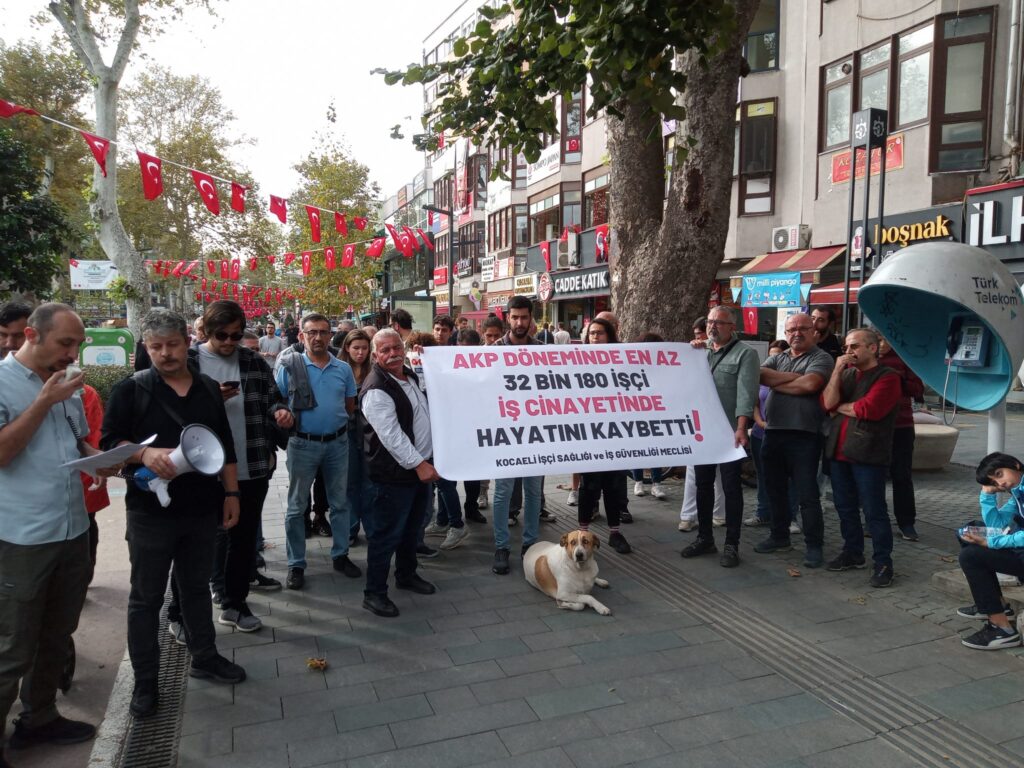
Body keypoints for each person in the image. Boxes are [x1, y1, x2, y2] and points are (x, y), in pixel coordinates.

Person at [102, 308, 245, 719]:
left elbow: (224, 445)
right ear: (146, 348)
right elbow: (109, 443)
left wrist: (231, 492)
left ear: (187, 342)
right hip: (149, 513)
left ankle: (205, 655)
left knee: (196, 588)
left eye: (172, 344)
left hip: (201, 507)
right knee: (145, 599)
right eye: (156, 347)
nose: (165, 353)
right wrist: (144, 454)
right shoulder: (131, 390)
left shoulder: (207, 387)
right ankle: (146, 682)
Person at [0, 304, 112, 755]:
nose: (72, 353)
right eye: (66, 343)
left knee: (57, 633)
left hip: (72, 528)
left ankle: (40, 717)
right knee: (13, 645)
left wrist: (101, 461)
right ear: (32, 335)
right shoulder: (5, 382)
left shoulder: (67, 383)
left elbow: (76, 440)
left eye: (77, 345)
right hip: (22, 537)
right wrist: (43, 401)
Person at [191, 301, 294, 630]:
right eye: (221, 335)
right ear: (207, 331)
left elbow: (273, 398)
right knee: (203, 539)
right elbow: (172, 410)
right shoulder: (189, 361)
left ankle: (235, 603)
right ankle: (192, 607)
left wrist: (281, 412)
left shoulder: (252, 360)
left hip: (250, 462)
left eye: (235, 336)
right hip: (201, 469)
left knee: (243, 537)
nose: (229, 342)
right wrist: (209, 399)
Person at [275, 313, 360, 589]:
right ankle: (296, 563)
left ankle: (340, 555)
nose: (318, 337)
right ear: (302, 336)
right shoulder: (289, 366)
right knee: (296, 507)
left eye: (323, 332)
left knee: (340, 503)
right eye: (312, 332)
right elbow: (277, 401)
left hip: (337, 444)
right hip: (302, 444)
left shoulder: (343, 369)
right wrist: (282, 414)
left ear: (330, 335)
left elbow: (349, 406)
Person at [360, 329, 439, 617]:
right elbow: (392, 436)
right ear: (375, 355)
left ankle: (406, 575)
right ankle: (374, 593)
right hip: (394, 475)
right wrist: (419, 464)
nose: (393, 354)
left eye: (396, 347)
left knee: (411, 529)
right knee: (386, 535)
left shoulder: (408, 375)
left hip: (419, 469)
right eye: (385, 350)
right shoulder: (376, 389)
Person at [680, 307, 759, 568]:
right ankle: (705, 538)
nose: (713, 326)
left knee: (730, 488)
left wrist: (741, 428)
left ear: (732, 326)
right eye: (710, 321)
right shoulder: (700, 351)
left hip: (729, 433)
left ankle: (731, 544)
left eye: (719, 322)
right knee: (702, 486)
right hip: (703, 432)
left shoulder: (745, 354)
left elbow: (746, 394)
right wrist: (691, 351)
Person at [822, 328, 901, 588]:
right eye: (846, 347)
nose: (848, 352)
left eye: (854, 346)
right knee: (845, 507)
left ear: (872, 348)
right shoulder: (846, 374)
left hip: (868, 454)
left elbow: (869, 410)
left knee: (873, 510)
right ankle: (853, 552)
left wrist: (840, 407)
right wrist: (836, 371)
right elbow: (827, 404)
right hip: (839, 452)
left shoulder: (888, 377)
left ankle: (883, 562)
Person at [754, 313, 834, 568]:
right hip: (773, 433)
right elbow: (760, 375)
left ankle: (814, 545)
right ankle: (779, 537)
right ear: (786, 333)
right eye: (791, 330)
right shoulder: (778, 357)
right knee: (774, 490)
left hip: (805, 435)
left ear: (814, 332)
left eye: (802, 328)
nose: (796, 333)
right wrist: (795, 378)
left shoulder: (822, 357)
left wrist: (778, 381)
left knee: (807, 494)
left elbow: (810, 385)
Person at [491, 295, 544, 575]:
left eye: (524, 317)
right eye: (515, 317)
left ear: (531, 318)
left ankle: (530, 544)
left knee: (534, 491)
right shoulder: (492, 351)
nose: (520, 322)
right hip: (506, 432)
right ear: (507, 318)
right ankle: (502, 546)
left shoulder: (543, 351)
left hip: (536, 432)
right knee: (503, 491)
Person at [956, 452, 1024, 649]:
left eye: (999, 474)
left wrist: (991, 543)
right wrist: (986, 494)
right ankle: (998, 606)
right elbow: (997, 525)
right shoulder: (1018, 491)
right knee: (970, 531)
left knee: (971, 556)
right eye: (994, 481)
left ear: (1015, 465)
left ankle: (1002, 630)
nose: (1000, 483)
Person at [575, 318, 631, 554]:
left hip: (614, 434)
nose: (595, 338)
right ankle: (582, 533)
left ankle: (614, 533)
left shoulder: (622, 360)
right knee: (589, 485)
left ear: (610, 336)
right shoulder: (577, 361)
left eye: (600, 333)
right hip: (589, 434)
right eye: (591, 334)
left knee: (613, 485)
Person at [746, 340, 798, 531]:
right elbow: (754, 402)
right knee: (763, 476)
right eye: (770, 355)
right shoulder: (761, 379)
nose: (772, 360)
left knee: (789, 478)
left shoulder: (789, 380)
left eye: (777, 355)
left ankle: (790, 517)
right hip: (760, 434)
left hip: (785, 433)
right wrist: (760, 422)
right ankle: (763, 513)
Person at [678, 317, 723, 531]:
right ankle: (688, 515)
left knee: (721, 470)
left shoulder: (729, 352)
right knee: (693, 469)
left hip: (721, 418)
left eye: (701, 335)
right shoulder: (694, 353)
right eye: (697, 335)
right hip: (697, 418)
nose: (699, 339)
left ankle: (719, 514)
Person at [878, 335, 925, 541]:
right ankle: (875, 520)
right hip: (872, 427)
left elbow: (918, 389)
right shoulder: (861, 358)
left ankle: (906, 523)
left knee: (902, 476)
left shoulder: (903, 358)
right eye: (876, 340)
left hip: (901, 425)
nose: (880, 345)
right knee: (874, 476)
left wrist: (898, 378)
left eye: (884, 339)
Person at [338, 329, 374, 548]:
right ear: (347, 348)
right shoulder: (340, 370)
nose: (360, 353)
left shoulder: (374, 370)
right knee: (350, 482)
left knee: (370, 483)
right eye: (356, 348)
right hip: (346, 432)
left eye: (364, 348)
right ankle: (351, 527)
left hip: (370, 434)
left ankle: (371, 527)